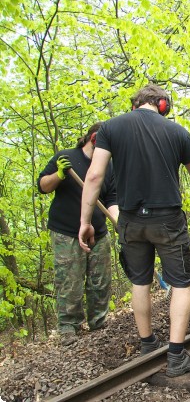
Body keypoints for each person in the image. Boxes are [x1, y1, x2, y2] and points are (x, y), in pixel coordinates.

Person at [78, 84, 190, 377]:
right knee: (182, 284)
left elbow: (95, 175)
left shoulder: (110, 128)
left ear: (136, 104)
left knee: (140, 282)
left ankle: (148, 345)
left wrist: (85, 221)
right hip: (167, 221)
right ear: (162, 105)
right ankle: (176, 357)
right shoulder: (178, 132)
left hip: (130, 220)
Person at [37, 123, 118, 346]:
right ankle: (68, 327)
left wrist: (117, 221)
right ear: (94, 139)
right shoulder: (66, 157)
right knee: (69, 283)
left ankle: (98, 322)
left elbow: (112, 198)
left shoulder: (107, 166)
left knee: (100, 282)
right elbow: (43, 186)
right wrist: (59, 174)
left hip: (99, 232)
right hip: (66, 233)